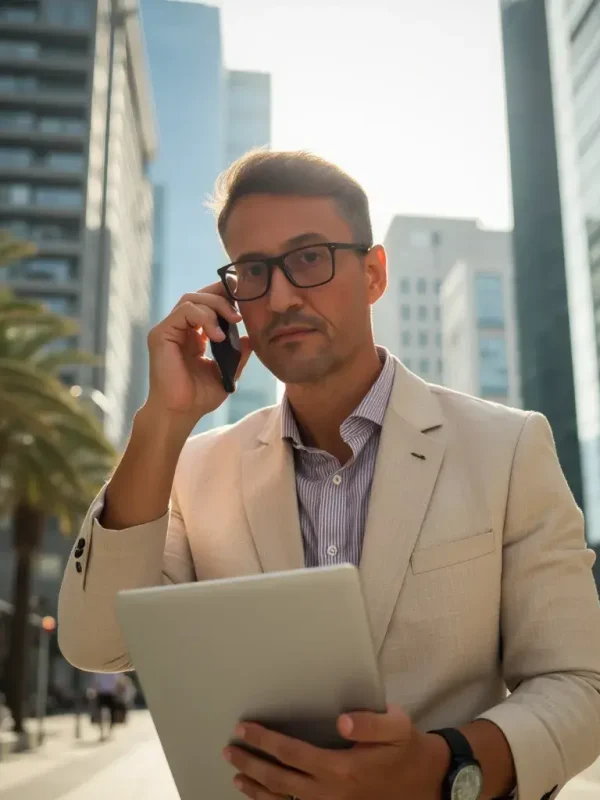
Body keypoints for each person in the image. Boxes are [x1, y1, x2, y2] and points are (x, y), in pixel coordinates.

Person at [58, 150, 600, 800]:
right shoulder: (194, 470)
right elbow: (98, 644)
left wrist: (440, 768)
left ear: (373, 274)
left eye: (310, 257)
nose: (281, 296)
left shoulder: (506, 448)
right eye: (253, 271)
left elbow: (579, 685)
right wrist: (162, 423)